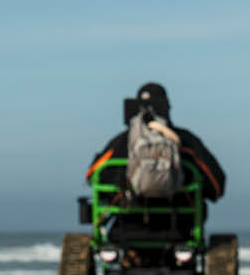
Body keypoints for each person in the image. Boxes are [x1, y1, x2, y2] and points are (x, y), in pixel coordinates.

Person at [86, 82, 226, 201]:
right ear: (167, 107)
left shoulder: (122, 142)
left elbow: (92, 176)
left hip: (128, 223)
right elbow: (217, 187)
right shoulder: (187, 141)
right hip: (179, 225)